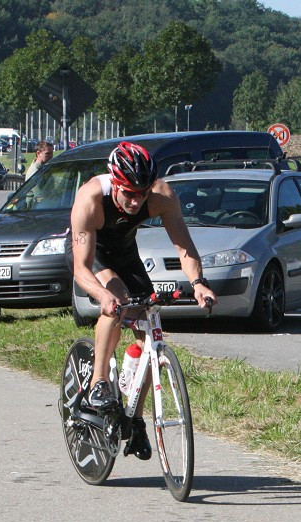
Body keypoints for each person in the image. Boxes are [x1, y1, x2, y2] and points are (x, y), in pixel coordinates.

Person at [67, 141, 216, 460]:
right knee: (118, 301)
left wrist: (198, 282)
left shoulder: (162, 196)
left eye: (142, 193)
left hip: (125, 253)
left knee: (150, 326)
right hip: (92, 255)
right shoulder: (91, 198)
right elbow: (80, 267)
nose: (136, 200)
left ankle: (135, 420)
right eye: (129, 193)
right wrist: (102, 294)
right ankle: (99, 382)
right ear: (115, 183)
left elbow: (184, 247)